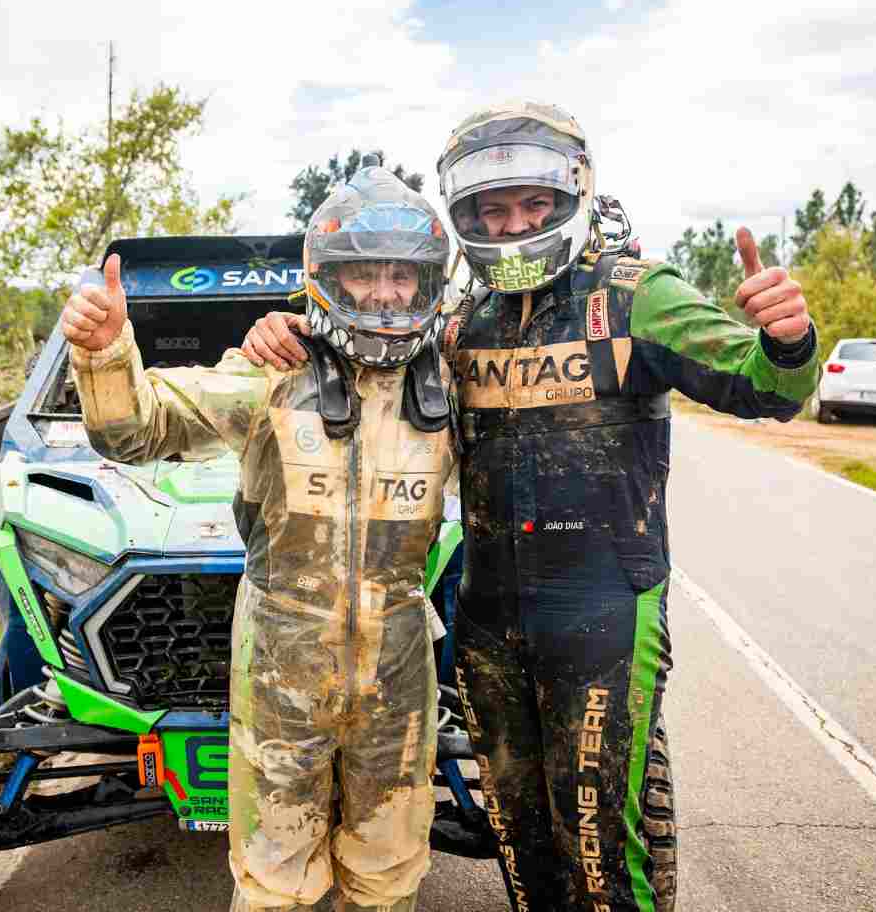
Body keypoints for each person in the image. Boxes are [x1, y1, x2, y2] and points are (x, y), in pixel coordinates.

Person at [241, 102, 818, 912]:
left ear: (572, 197)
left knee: (600, 852)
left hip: (603, 611)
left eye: (534, 205)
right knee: (519, 845)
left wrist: (786, 341)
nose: (514, 225)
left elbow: (766, 391)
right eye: (493, 209)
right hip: (487, 618)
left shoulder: (635, 296)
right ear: (468, 217)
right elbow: (362, 350)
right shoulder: (457, 324)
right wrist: (282, 330)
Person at [61, 162, 456, 912]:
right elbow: (136, 428)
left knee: (390, 873)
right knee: (277, 882)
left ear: (428, 282)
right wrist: (109, 352)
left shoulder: (449, 386)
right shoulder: (272, 374)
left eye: (401, 276)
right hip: (282, 666)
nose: (381, 293)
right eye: (361, 273)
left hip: (399, 665)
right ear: (324, 280)